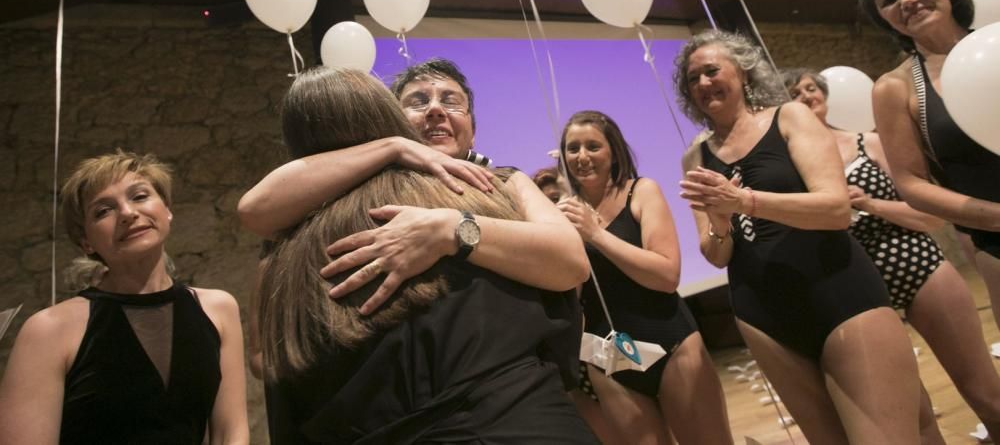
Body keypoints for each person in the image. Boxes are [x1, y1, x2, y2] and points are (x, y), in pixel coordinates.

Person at [257, 67, 596, 443]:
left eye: (451, 101)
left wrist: (451, 229)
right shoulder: (328, 202)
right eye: (418, 102)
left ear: (473, 128)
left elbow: (571, 260)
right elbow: (254, 210)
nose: (436, 110)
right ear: (390, 122)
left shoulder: (504, 182)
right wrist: (395, 149)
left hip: (512, 412)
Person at [675, 30, 921, 444]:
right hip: (762, 313)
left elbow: (835, 209)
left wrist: (744, 200)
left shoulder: (790, 116)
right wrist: (720, 220)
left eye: (711, 70)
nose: (702, 83)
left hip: (838, 291)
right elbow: (717, 255)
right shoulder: (695, 157)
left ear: (743, 71)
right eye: (692, 79)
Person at [787, 68, 1000, 441]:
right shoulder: (790, 169)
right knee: (912, 415)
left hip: (917, 265)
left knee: (984, 391)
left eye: (811, 88)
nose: (806, 96)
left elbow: (931, 216)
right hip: (855, 290)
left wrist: (871, 204)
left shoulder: (868, 142)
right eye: (795, 93)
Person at [0, 151, 249, 444]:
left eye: (140, 196)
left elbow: (230, 434)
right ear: (86, 241)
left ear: (167, 210)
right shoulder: (48, 330)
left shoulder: (219, 309)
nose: (128, 213)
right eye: (103, 211)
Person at [557, 110, 733, 445]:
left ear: (613, 151)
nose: (581, 157)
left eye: (592, 146)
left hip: (672, 342)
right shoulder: (564, 213)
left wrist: (595, 234)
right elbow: (569, 294)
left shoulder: (641, 191)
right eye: (572, 148)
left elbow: (667, 275)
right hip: (605, 356)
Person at [858, 0, 1000, 331]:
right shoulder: (894, 88)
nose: (906, 0)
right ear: (885, 19)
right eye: (889, 0)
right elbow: (912, 185)